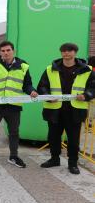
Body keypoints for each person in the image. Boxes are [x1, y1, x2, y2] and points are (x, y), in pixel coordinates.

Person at [37, 43, 95, 175]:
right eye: (63, 51)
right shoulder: (50, 69)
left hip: (75, 111)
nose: (66, 53)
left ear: (75, 52)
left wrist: (86, 95)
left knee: (73, 139)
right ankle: (54, 159)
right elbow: (41, 87)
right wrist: (48, 96)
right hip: (54, 110)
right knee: (53, 137)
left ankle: (73, 163)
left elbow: (93, 87)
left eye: (69, 51)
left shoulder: (87, 70)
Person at [0, 41, 38, 168]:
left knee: (14, 132)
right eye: (3, 51)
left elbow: (27, 85)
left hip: (14, 106)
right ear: (0, 53)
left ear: (13, 51)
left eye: (8, 50)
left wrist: (32, 91)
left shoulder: (23, 67)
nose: (6, 53)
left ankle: (13, 156)